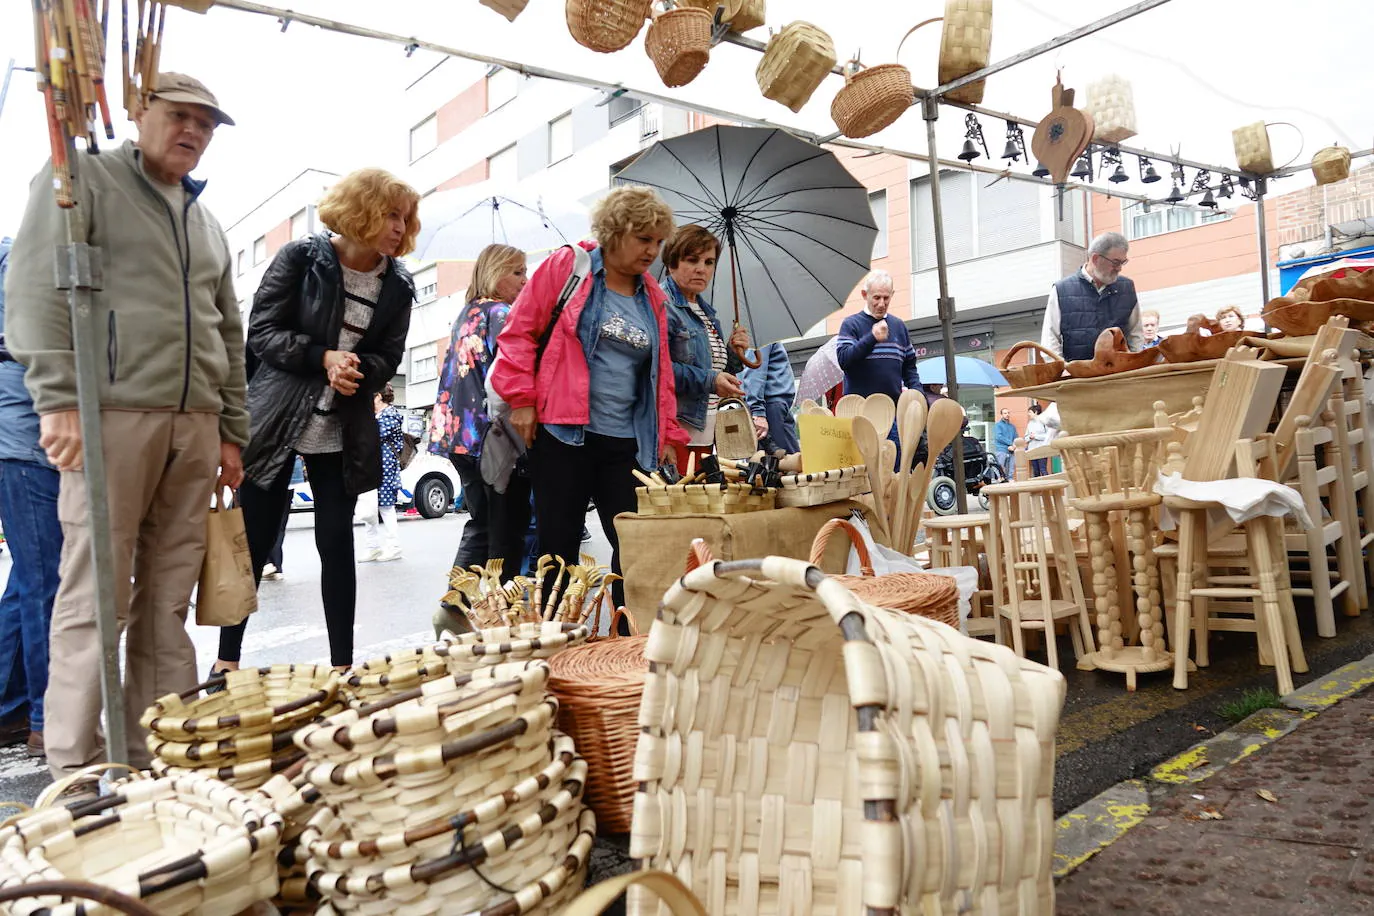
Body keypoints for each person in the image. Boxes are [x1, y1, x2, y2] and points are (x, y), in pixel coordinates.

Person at [5, 73, 247, 781]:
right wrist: (56, 400)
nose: (194, 133)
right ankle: (76, 767)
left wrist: (231, 429)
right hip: (111, 415)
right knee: (94, 596)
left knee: (167, 600)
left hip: (194, 424)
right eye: (179, 116)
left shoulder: (205, 221)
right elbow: (30, 290)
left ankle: (160, 756)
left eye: (206, 124)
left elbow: (227, 331)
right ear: (139, 112)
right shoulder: (79, 181)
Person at [213, 168, 419, 677]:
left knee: (336, 541)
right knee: (256, 539)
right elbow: (261, 332)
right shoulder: (302, 258)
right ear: (361, 211)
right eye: (391, 214)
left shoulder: (398, 285)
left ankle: (342, 666)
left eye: (406, 217)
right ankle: (226, 660)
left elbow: (388, 356)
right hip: (278, 414)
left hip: (341, 423)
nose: (400, 227)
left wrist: (361, 371)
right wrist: (323, 356)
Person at [490, 186, 687, 618]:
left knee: (634, 546)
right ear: (615, 232)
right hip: (563, 434)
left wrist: (668, 432)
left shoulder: (652, 295)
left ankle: (626, 637)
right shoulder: (570, 267)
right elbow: (518, 332)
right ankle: (557, 645)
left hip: (626, 442)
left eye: (658, 241)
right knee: (558, 551)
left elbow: (661, 373)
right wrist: (522, 399)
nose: (652, 250)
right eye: (643, 239)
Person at [430, 243, 532, 582]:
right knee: (506, 528)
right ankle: (499, 605)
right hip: (492, 435)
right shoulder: (500, 313)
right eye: (517, 272)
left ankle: (455, 603)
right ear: (494, 273)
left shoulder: (468, 313)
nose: (525, 279)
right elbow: (515, 370)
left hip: (459, 435)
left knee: (482, 521)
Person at [0, 235, 60, 760]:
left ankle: (10, 708)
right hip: (26, 439)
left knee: (29, 579)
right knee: (44, 580)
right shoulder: (19, 255)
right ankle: (46, 717)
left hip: (25, 437)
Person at [662, 224, 749, 472]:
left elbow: (719, 371)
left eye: (709, 262)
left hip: (706, 432)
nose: (702, 269)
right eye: (692, 260)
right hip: (676, 431)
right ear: (672, 263)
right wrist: (711, 380)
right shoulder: (663, 305)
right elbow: (660, 369)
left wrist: (734, 351)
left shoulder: (708, 313)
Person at [836, 270, 921, 434]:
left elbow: (910, 368)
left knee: (894, 458)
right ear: (864, 295)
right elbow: (844, 360)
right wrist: (872, 338)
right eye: (876, 298)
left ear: (892, 295)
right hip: (859, 413)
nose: (881, 303)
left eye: (886, 298)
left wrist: (918, 395)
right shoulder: (851, 324)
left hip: (892, 414)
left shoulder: (899, 326)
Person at [1041, 231, 1142, 360]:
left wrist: (1134, 363)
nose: (1119, 268)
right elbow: (1050, 339)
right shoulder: (1061, 290)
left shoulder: (1127, 288)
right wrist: (1062, 371)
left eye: (1123, 262)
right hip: (1078, 376)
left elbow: (1136, 334)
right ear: (1095, 259)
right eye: (1115, 262)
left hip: (1120, 374)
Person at [360, 383, 404, 562]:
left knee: (386, 507)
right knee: (369, 508)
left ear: (378, 396)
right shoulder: (377, 415)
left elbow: (373, 435)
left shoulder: (390, 415)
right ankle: (373, 547)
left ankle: (394, 547)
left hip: (385, 467)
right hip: (372, 466)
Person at [741, 342, 800, 455]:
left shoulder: (757, 334)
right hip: (770, 407)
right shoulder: (759, 334)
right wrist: (758, 412)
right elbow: (755, 370)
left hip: (771, 406)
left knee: (783, 464)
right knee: (789, 463)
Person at [1025, 404, 1051, 476]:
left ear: (1035, 412)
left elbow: (1048, 436)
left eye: (1030, 412)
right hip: (1032, 450)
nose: (1028, 414)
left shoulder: (1044, 422)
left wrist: (1036, 436)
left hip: (1041, 449)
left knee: (1043, 469)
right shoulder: (1029, 424)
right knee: (1036, 471)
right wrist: (1030, 437)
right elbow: (1025, 438)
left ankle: (1048, 486)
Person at [992, 406, 1018, 477]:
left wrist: (1014, 445)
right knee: (999, 469)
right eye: (1005, 413)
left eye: (1008, 413)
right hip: (1001, 450)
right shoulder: (998, 425)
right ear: (1001, 415)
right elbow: (999, 437)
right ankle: (999, 483)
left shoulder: (1012, 426)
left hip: (1011, 450)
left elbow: (1016, 437)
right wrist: (1011, 444)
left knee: (1011, 470)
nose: (1007, 414)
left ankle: (1009, 483)